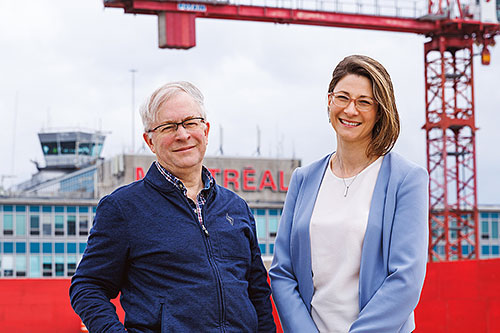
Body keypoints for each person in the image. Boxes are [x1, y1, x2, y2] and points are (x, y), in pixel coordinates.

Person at [70, 81, 276, 332]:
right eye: (168, 127)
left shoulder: (236, 208)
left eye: (191, 122)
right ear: (150, 141)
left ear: (206, 130)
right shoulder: (123, 208)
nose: (183, 134)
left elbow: (258, 292)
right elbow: (88, 286)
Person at [269, 55, 429, 333]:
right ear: (329, 101)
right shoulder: (303, 179)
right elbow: (283, 272)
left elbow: (406, 279)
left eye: (364, 102)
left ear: (380, 111)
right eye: (342, 97)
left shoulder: (407, 180)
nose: (350, 110)